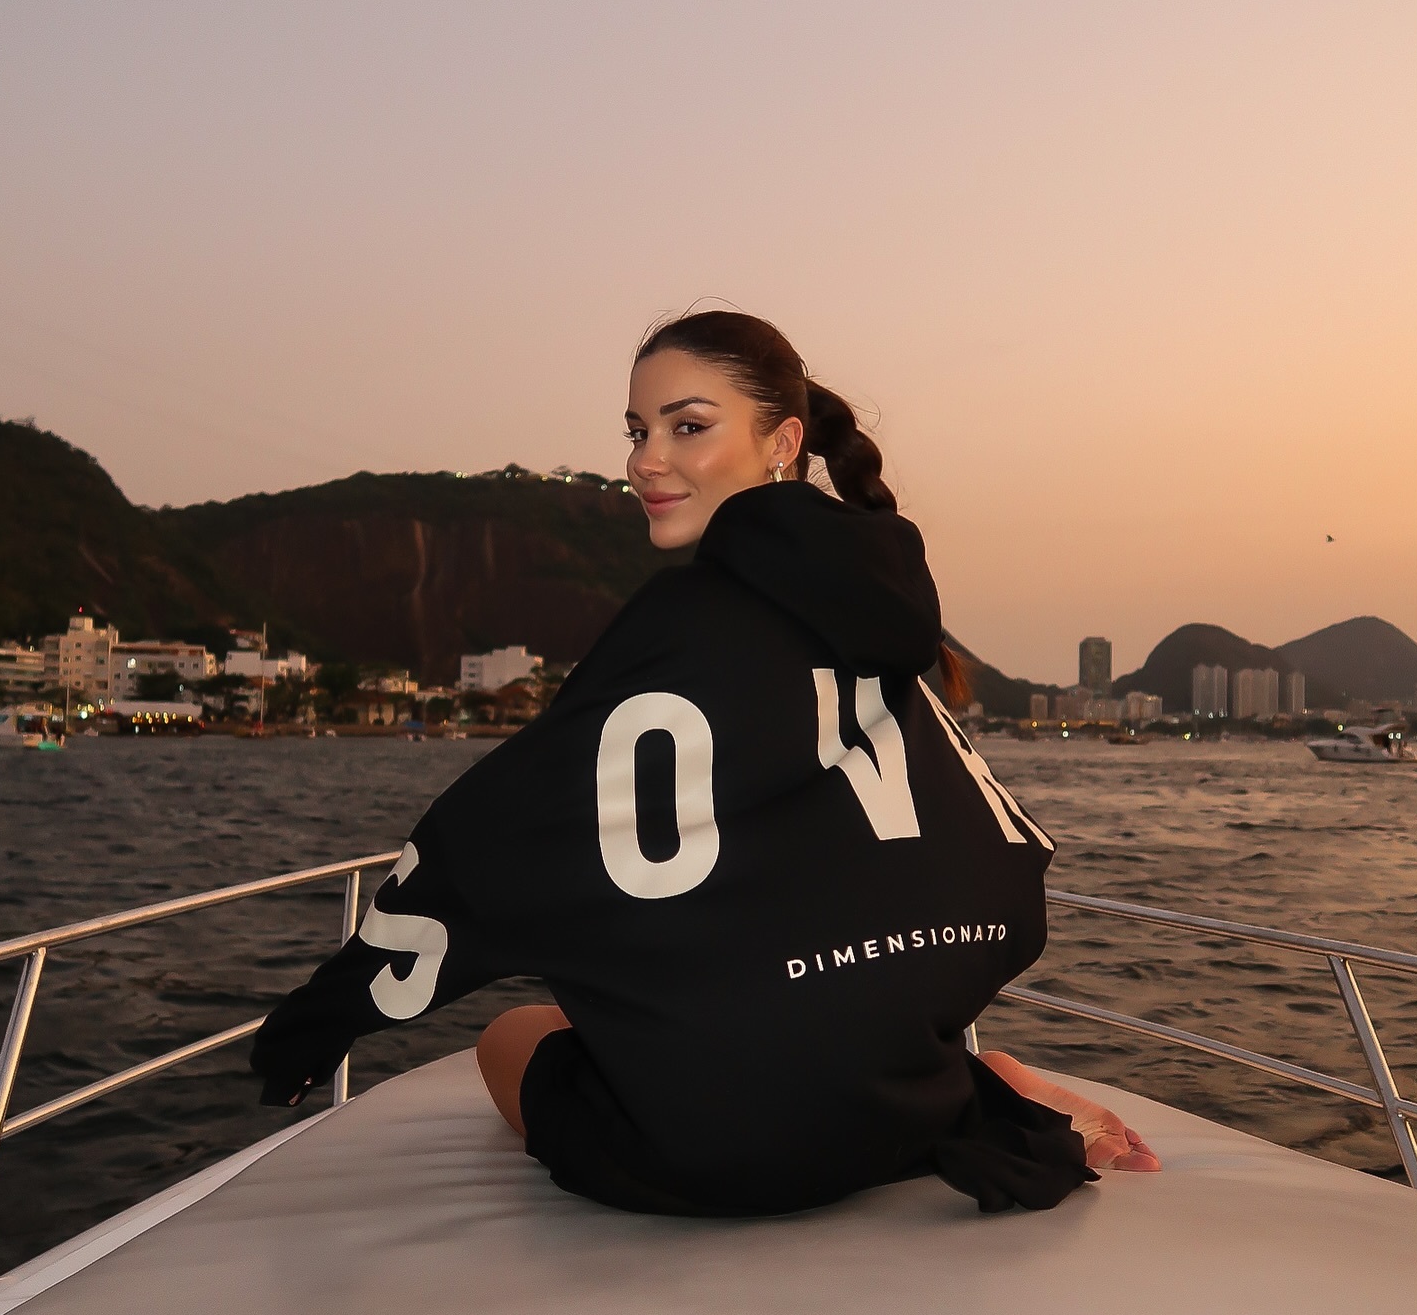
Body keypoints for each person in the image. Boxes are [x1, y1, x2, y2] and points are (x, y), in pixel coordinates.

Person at [251, 309, 1157, 1215]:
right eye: (637, 432)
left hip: (712, 1157)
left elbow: (492, 845)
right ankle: (970, 1079)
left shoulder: (679, 624)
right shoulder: (888, 641)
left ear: (783, 442)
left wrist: (315, 1025)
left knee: (511, 1033)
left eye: (688, 427)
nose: (647, 461)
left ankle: (952, 1077)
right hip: (902, 1109)